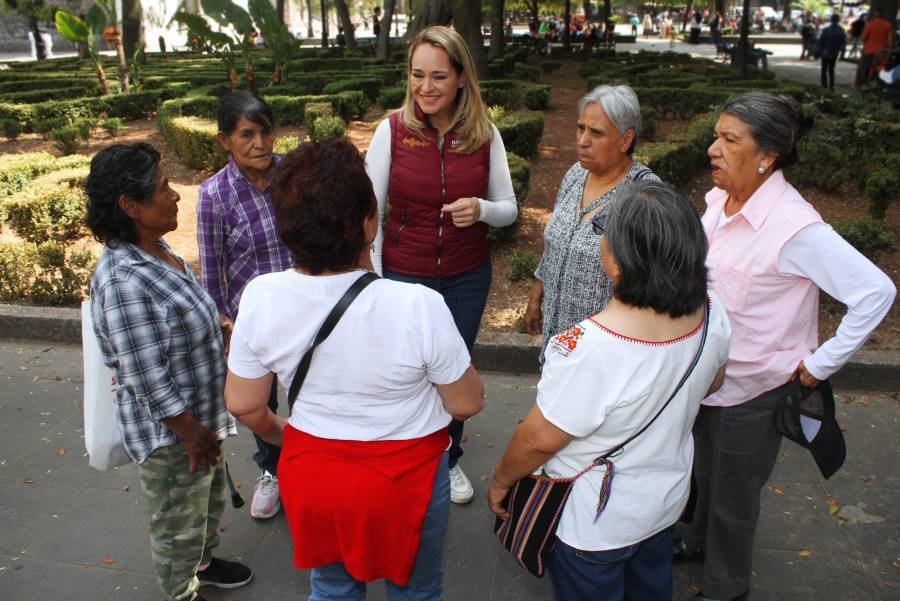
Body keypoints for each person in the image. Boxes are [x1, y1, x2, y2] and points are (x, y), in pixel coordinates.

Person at [223, 139, 485, 600]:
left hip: (315, 475)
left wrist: (292, 437)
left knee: (331, 587)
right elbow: (466, 402)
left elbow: (244, 403)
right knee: (417, 590)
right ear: (369, 222)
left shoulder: (261, 297)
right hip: (408, 482)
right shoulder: (418, 306)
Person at [678, 92, 896, 601]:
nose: (713, 148)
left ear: (766, 156)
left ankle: (725, 588)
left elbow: (875, 292)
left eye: (729, 139)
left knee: (734, 498)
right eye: (716, 135)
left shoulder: (795, 228)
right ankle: (692, 542)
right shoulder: (719, 200)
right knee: (700, 471)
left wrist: (819, 365)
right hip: (702, 377)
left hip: (754, 390)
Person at [489, 181, 732, 601]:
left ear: (617, 263)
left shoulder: (588, 347)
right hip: (663, 504)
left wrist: (500, 481)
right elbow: (713, 382)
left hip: (595, 525)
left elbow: (537, 440)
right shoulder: (712, 313)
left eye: (607, 231)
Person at [86, 143, 253, 601]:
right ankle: (182, 589)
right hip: (174, 433)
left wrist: (218, 325)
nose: (176, 194)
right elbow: (145, 373)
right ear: (130, 205)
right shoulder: (123, 279)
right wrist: (191, 432)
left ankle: (204, 562)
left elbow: (179, 314)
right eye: (163, 188)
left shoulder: (155, 250)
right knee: (178, 521)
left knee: (205, 503)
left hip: (201, 420)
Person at [365, 25, 518, 505]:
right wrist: (373, 278)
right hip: (404, 275)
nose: (425, 88)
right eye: (416, 75)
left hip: (466, 277)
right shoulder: (391, 131)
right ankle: (405, 455)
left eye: (437, 77)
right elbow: (370, 214)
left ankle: (447, 459)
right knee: (405, 372)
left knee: (454, 371)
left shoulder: (485, 134)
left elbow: (509, 207)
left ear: (460, 80)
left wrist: (482, 209)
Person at [197, 92, 292, 520]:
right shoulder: (214, 195)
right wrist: (225, 324)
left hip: (307, 312)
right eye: (246, 134)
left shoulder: (293, 174)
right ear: (225, 140)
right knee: (261, 405)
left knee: (311, 393)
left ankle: (315, 463)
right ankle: (272, 471)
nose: (259, 143)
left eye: (265, 131)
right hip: (251, 323)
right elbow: (213, 270)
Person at [524, 84, 659, 348]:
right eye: (580, 127)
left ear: (625, 140)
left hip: (603, 350)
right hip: (557, 341)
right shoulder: (576, 174)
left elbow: (648, 285)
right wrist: (535, 296)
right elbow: (555, 242)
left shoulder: (644, 195)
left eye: (596, 133)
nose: (582, 140)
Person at [857, 9, 894, 86]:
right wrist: (890, 50)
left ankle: (865, 83)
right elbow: (890, 39)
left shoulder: (871, 24)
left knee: (866, 67)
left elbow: (863, 38)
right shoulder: (887, 25)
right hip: (881, 52)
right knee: (879, 68)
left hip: (869, 50)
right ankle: (876, 83)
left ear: (875, 16)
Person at [816, 13, 846, 92]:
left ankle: (824, 85)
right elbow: (843, 44)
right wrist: (842, 54)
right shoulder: (841, 30)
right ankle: (832, 84)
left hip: (826, 52)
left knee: (824, 69)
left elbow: (821, 42)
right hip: (835, 52)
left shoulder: (826, 30)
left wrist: (818, 53)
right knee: (831, 69)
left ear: (831, 20)